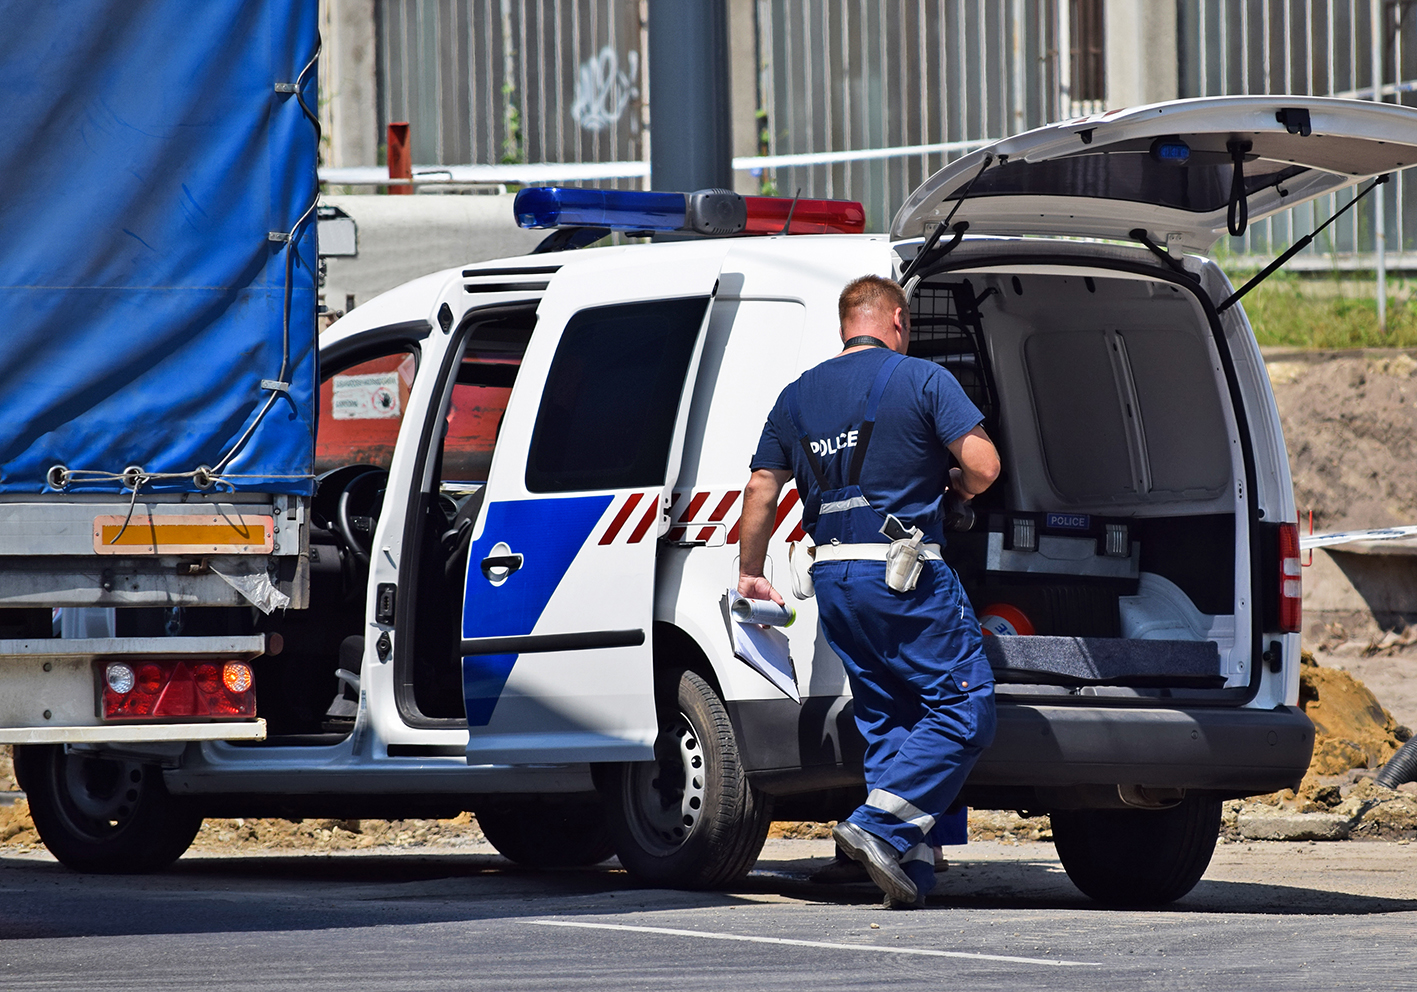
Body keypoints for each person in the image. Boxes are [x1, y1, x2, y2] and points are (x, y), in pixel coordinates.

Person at [737, 274, 1000, 909]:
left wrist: (750, 571)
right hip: (903, 574)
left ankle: (904, 869)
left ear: (844, 325)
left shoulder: (798, 394)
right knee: (965, 707)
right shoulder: (923, 379)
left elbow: (761, 489)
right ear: (898, 321)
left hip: (834, 577)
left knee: (889, 719)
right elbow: (985, 466)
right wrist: (959, 487)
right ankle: (877, 828)